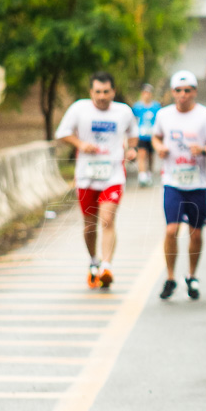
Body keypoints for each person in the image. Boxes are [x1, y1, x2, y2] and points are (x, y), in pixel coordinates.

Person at [55, 71, 137, 288]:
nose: (102, 96)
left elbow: (133, 134)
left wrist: (132, 149)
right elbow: (62, 133)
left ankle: (106, 266)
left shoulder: (123, 112)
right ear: (91, 92)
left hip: (113, 175)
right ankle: (93, 261)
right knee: (89, 225)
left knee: (108, 219)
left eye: (106, 92)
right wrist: (81, 145)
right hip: (86, 176)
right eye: (98, 92)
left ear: (113, 92)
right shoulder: (79, 108)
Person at [152, 71, 206, 300]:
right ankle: (170, 277)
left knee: (195, 233)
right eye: (178, 91)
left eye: (187, 90)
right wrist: (159, 147)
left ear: (194, 92)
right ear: (173, 93)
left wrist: (202, 150)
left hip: (197, 184)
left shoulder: (205, 116)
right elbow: (156, 137)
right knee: (171, 230)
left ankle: (192, 275)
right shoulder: (163, 115)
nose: (183, 95)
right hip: (172, 182)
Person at [132, 83, 161, 186]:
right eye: (145, 93)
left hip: (152, 136)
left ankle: (149, 173)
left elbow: (159, 120)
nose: (147, 95)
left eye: (148, 93)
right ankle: (142, 175)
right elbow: (133, 120)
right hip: (141, 135)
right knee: (142, 154)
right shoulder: (137, 106)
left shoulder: (156, 106)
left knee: (150, 156)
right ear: (142, 94)